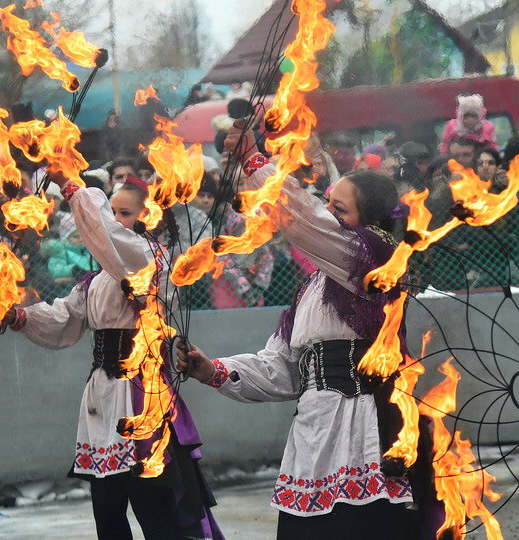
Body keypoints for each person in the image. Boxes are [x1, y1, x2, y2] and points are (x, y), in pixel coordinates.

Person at [177, 124, 435, 539]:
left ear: (369, 221)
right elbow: (281, 370)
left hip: (364, 427)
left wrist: (255, 162)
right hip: (313, 434)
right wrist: (213, 370)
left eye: (340, 209)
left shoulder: (372, 256)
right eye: (327, 203)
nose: (328, 214)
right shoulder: (313, 287)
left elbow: (305, 221)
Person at [2, 176, 222, 540]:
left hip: (139, 394)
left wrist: (74, 189)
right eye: (112, 212)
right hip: (102, 396)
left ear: (147, 218)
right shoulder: (95, 279)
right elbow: (65, 318)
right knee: (107, 510)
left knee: (153, 510)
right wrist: (20, 317)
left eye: (125, 213)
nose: (116, 220)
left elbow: (114, 241)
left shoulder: (152, 260)